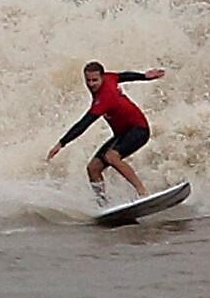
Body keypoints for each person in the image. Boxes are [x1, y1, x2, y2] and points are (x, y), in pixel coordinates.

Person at [47, 61, 165, 206]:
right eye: (88, 80)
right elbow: (123, 76)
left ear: (102, 77)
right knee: (93, 168)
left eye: (95, 80)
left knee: (112, 157)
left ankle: (143, 192)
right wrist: (144, 76)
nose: (91, 84)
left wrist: (61, 143)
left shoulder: (104, 99)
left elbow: (84, 124)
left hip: (139, 129)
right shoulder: (109, 77)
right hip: (122, 133)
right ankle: (103, 204)